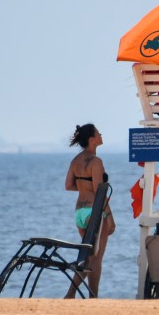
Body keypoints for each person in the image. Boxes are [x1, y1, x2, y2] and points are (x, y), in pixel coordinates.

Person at [64, 123, 114, 298]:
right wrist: (110, 216)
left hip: (79, 213)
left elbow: (68, 185)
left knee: (89, 258)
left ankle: (70, 294)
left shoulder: (75, 161)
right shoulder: (96, 162)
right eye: (98, 133)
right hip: (94, 212)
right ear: (92, 139)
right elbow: (99, 191)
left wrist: (83, 187)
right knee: (97, 259)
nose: (101, 134)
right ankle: (94, 298)